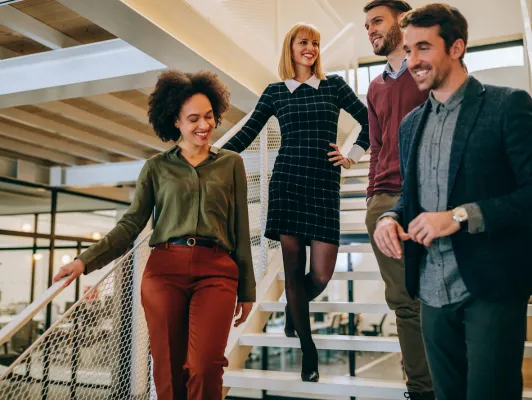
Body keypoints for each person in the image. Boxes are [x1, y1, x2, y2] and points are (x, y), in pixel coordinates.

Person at [53, 70, 256, 400]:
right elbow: (131, 225)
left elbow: (240, 229)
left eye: (209, 116)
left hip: (217, 270)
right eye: (193, 119)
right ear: (176, 120)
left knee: (205, 366)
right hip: (164, 272)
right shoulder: (156, 168)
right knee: (168, 370)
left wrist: (247, 289)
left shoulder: (231, 163)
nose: (204, 125)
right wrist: (84, 261)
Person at [373, 4, 532, 400]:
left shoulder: (508, 105)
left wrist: (461, 216)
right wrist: (390, 219)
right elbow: (411, 199)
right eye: (408, 50)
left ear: (457, 46)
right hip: (429, 292)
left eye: (423, 48)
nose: (413, 61)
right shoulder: (411, 125)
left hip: (491, 289)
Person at [223, 22, 369, 382]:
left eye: (316, 43)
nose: (312, 48)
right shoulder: (275, 92)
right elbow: (246, 132)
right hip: (287, 183)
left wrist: (351, 155)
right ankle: (309, 349)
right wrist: (210, 156)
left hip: (323, 185)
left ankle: (293, 306)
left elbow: (371, 121)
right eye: (304, 42)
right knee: (292, 271)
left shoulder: (333, 86)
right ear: (290, 48)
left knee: (319, 274)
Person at [361, 1, 433, 398]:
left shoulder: (426, 72)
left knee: (436, 296)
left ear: (401, 24)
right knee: (403, 303)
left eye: (377, 21)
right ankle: (421, 390)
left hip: (425, 197)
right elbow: (375, 145)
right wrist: (372, 196)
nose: (370, 30)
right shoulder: (374, 87)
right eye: (367, 25)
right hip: (382, 201)